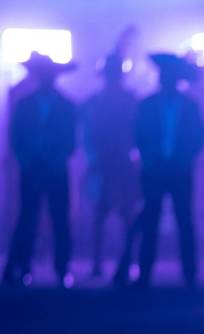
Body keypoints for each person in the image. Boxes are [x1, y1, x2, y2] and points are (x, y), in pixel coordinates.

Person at [117, 53, 204, 289]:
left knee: (184, 221)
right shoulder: (147, 105)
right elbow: (138, 134)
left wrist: (184, 159)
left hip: (179, 170)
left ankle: (190, 274)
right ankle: (144, 274)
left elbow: (198, 138)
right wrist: (149, 158)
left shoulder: (190, 107)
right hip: (154, 171)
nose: (164, 79)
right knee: (150, 221)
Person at [3, 53, 77, 289]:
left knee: (58, 220)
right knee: (28, 218)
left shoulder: (66, 106)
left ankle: (61, 267)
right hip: (33, 169)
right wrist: (28, 159)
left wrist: (54, 158)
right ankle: (22, 266)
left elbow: (70, 141)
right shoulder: (26, 105)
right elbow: (16, 139)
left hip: (54, 170)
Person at [81, 53, 139, 280]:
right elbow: (88, 132)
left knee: (126, 214)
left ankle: (126, 262)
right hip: (104, 163)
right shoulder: (96, 102)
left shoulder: (129, 101)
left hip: (123, 164)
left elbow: (138, 132)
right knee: (100, 214)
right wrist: (93, 158)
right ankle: (97, 263)